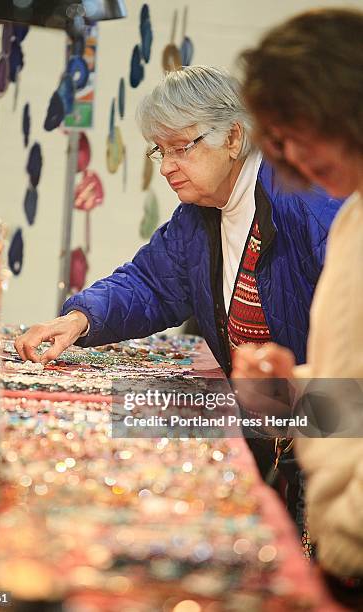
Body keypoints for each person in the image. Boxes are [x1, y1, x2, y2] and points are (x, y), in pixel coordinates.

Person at [15, 66, 341, 531]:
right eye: (159, 151)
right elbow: (150, 283)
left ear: (233, 138)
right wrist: (80, 319)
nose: (167, 166)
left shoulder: (310, 206)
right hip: (281, 421)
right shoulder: (199, 214)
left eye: (181, 148)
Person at [234, 8, 363, 583]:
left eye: (300, 128)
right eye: (280, 137)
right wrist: (294, 387)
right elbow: (355, 397)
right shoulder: (352, 217)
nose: (294, 152)